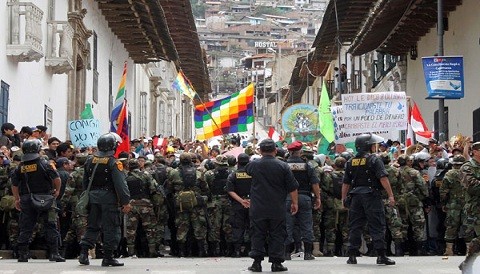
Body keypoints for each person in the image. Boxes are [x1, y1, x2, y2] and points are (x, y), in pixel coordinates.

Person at [341, 133, 396, 265]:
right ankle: (381, 255)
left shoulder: (350, 161)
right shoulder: (374, 160)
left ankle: (352, 255)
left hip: (355, 197)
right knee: (377, 225)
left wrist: (343, 198)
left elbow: (346, 183)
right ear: (368, 146)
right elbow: (383, 178)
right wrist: (391, 195)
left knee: (355, 226)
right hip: (371, 196)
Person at [78, 133, 131, 267]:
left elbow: (85, 181)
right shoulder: (114, 162)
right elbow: (121, 185)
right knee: (111, 228)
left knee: (92, 226)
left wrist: (87, 196)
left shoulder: (90, 160)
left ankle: (84, 252)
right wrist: (125, 201)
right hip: (109, 199)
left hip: (93, 198)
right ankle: (108, 257)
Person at [245, 138, 298, 272]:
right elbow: (292, 187)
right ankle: (276, 263)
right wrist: (294, 203)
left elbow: (247, 171)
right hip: (277, 207)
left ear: (261, 151)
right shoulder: (283, 166)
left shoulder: (253, 165)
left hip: (258, 207)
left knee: (257, 234)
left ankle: (257, 263)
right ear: (275, 150)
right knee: (277, 234)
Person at [11, 139, 65, 262]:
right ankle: (54, 253)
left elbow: (14, 185)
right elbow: (57, 178)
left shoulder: (20, 167)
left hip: (26, 199)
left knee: (26, 227)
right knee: (50, 225)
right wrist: (57, 191)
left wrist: (17, 199)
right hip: (45, 198)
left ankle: (23, 254)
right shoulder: (45, 163)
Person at [284, 141, 321, 261]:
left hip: (288, 197)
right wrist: (318, 197)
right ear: (300, 152)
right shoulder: (307, 165)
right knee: (306, 225)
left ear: (289, 152)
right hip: (304, 197)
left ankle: (286, 253)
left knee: (288, 225)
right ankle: (308, 253)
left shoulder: (284, 165)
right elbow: (315, 183)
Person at [226, 153, 252, 257]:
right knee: (251, 227)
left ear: (238, 162)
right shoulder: (254, 174)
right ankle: (249, 249)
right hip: (252, 203)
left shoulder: (233, 174)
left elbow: (230, 190)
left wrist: (241, 201)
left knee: (237, 227)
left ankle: (237, 250)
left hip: (238, 204)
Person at [459, 141, 480, 269]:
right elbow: (472, 187)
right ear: (475, 151)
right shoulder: (467, 167)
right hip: (476, 207)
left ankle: (468, 262)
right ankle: (468, 262)